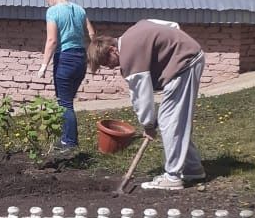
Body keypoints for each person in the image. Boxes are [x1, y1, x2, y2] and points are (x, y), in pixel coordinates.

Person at [87, 20, 205, 190]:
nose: (112, 67)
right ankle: (193, 169)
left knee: (169, 121)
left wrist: (148, 124)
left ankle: (173, 177)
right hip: (188, 58)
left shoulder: (129, 56)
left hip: (185, 63)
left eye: (108, 63)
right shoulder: (133, 31)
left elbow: (141, 96)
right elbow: (172, 26)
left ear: (112, 50)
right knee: (175, 120)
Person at [37, 0, 95, 153]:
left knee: (65, 103)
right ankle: (65, 138)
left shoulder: (53, 12)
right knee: (67, 101)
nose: (46, 2)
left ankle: (69, 142)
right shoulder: (79, 9)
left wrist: (43, 65)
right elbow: (92, 34)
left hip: (65, 60)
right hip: (80, 59)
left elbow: (52, 40)